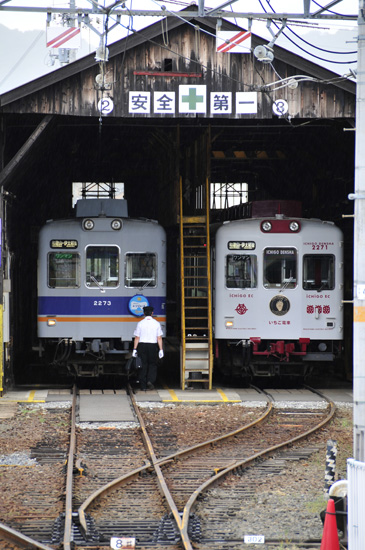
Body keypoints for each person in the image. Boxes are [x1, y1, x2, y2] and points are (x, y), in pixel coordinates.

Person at [132, 306, 164, 390]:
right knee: (152, 364)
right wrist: (161, 349)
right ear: (152, 313)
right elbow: (159, 338)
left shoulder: (140, 323)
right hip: (153, 346)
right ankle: (150, 380)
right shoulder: (156, 323)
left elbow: (137, 337)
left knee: (143, 365)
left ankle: (143, 386)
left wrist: (134, 349)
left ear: (144, 313)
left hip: (142, 346)